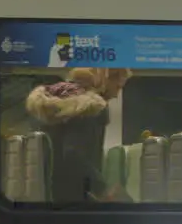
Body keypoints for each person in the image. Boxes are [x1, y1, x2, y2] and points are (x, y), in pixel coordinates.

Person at [24, 67, 132, 203]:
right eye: (118, 87)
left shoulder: (47, 107)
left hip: (46, 194)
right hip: (75, 197)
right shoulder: (89, 108)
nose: (117, 94)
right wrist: (102, 189)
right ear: (105, 80)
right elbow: (74, 154)